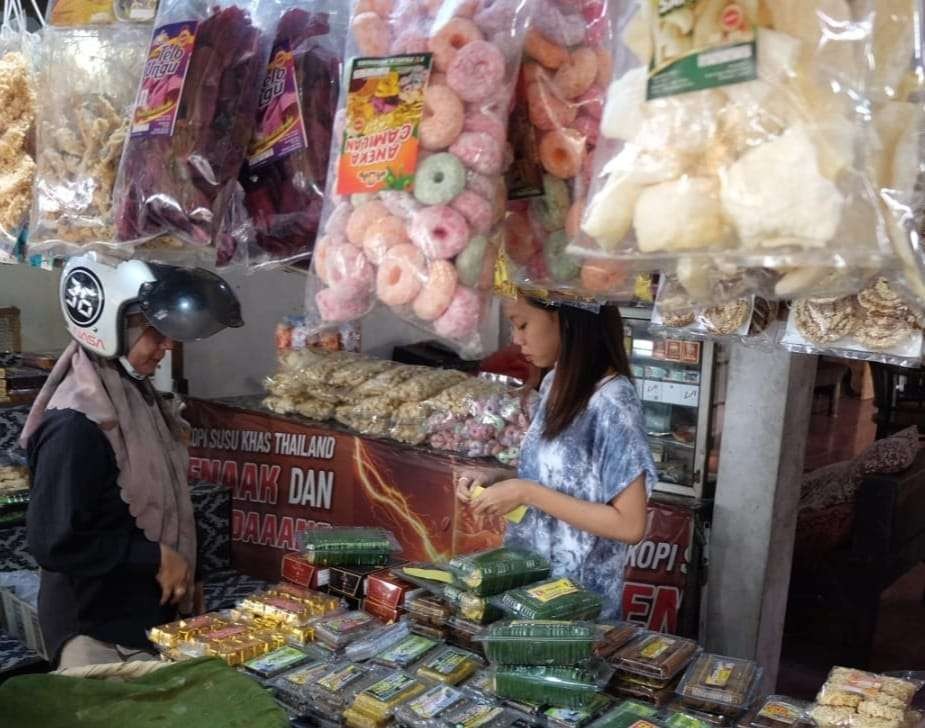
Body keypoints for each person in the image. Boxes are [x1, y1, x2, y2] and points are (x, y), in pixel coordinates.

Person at [21, 253, 243, 669]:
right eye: (156, 331)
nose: (168, 344)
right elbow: (54, 540)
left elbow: (166, 499)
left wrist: (189, 572)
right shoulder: (76, 424)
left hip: (143, 616)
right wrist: (157, 557)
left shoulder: (135, 397)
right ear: (109, 326)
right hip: (96, 632)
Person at [456, 294, 656, 620]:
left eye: (523, 324)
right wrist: (497, 480)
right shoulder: (556, 381)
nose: (516, 339)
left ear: (565, 322)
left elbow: (630, 524)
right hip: (530, 593)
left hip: (576, 610)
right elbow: (559, 477)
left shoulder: (614, 404)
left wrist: (526, 492)